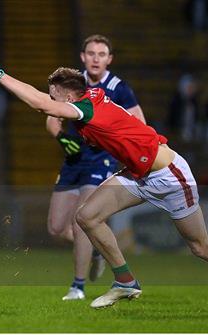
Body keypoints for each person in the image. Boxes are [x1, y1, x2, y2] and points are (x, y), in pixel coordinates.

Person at [0, 42, 208, 315]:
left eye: (55, 96)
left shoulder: (85, 107)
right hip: (138, 174)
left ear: (66, 97)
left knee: (200, 245)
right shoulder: (91, 99)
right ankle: (126, 281)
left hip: (169, 175)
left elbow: (43, 104)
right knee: (87, 216)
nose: (53, 102)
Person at [46, 35, 146, 300]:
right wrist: (62, 137)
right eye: (91, 53)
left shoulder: (118, 87)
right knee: (56, 228)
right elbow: (52, 119)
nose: (95, 58)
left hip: (100, 159)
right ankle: (98, 249)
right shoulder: (73, 84)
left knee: (82, 219)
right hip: (72, 161)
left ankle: (77, 286)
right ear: (83, 57)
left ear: (109, 59)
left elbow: (139, 123)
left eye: (101, 54)